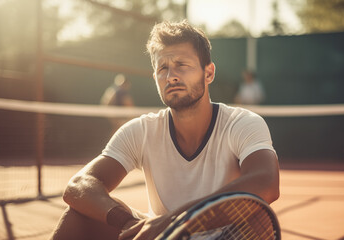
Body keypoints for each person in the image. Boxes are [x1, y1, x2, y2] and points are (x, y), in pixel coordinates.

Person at [51, 20, 280, 240]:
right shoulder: (141, 130)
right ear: (155, 78)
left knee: (256, 222)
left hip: (222, 235)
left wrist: (174, 222)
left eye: (182, 65)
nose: (171, 76)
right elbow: (78, 185)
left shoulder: (242, 123)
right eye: (163, 68)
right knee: (77, 217)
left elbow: (266, 182)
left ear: (208, 73)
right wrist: (127, 222)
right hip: (163, 236)